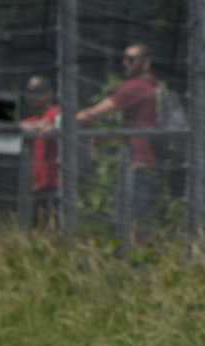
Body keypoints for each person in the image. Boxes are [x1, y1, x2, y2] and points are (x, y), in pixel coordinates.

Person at [74, 43, 161, 229]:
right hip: (151, 164)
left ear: (146, 63)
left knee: (133, 225)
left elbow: (94, 113)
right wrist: (105, 140)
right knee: (141, 221)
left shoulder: (136, 87)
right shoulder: (155, 86)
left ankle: (134, 255)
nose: (125, 64)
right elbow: (136, 131)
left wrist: (59, 122)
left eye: (131, 60)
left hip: (139, 167)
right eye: (124, 59)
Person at [17, 75, 61, 231]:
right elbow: (20, 126)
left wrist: (33, 127)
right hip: (35, 185)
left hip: (55, 184)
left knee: (54, 228)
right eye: (29, 92)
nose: (32, 97)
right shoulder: (32, 119)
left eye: (37, 92)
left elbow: (52, 126)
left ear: (49, 94)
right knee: (36, 230)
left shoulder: (56, 112)